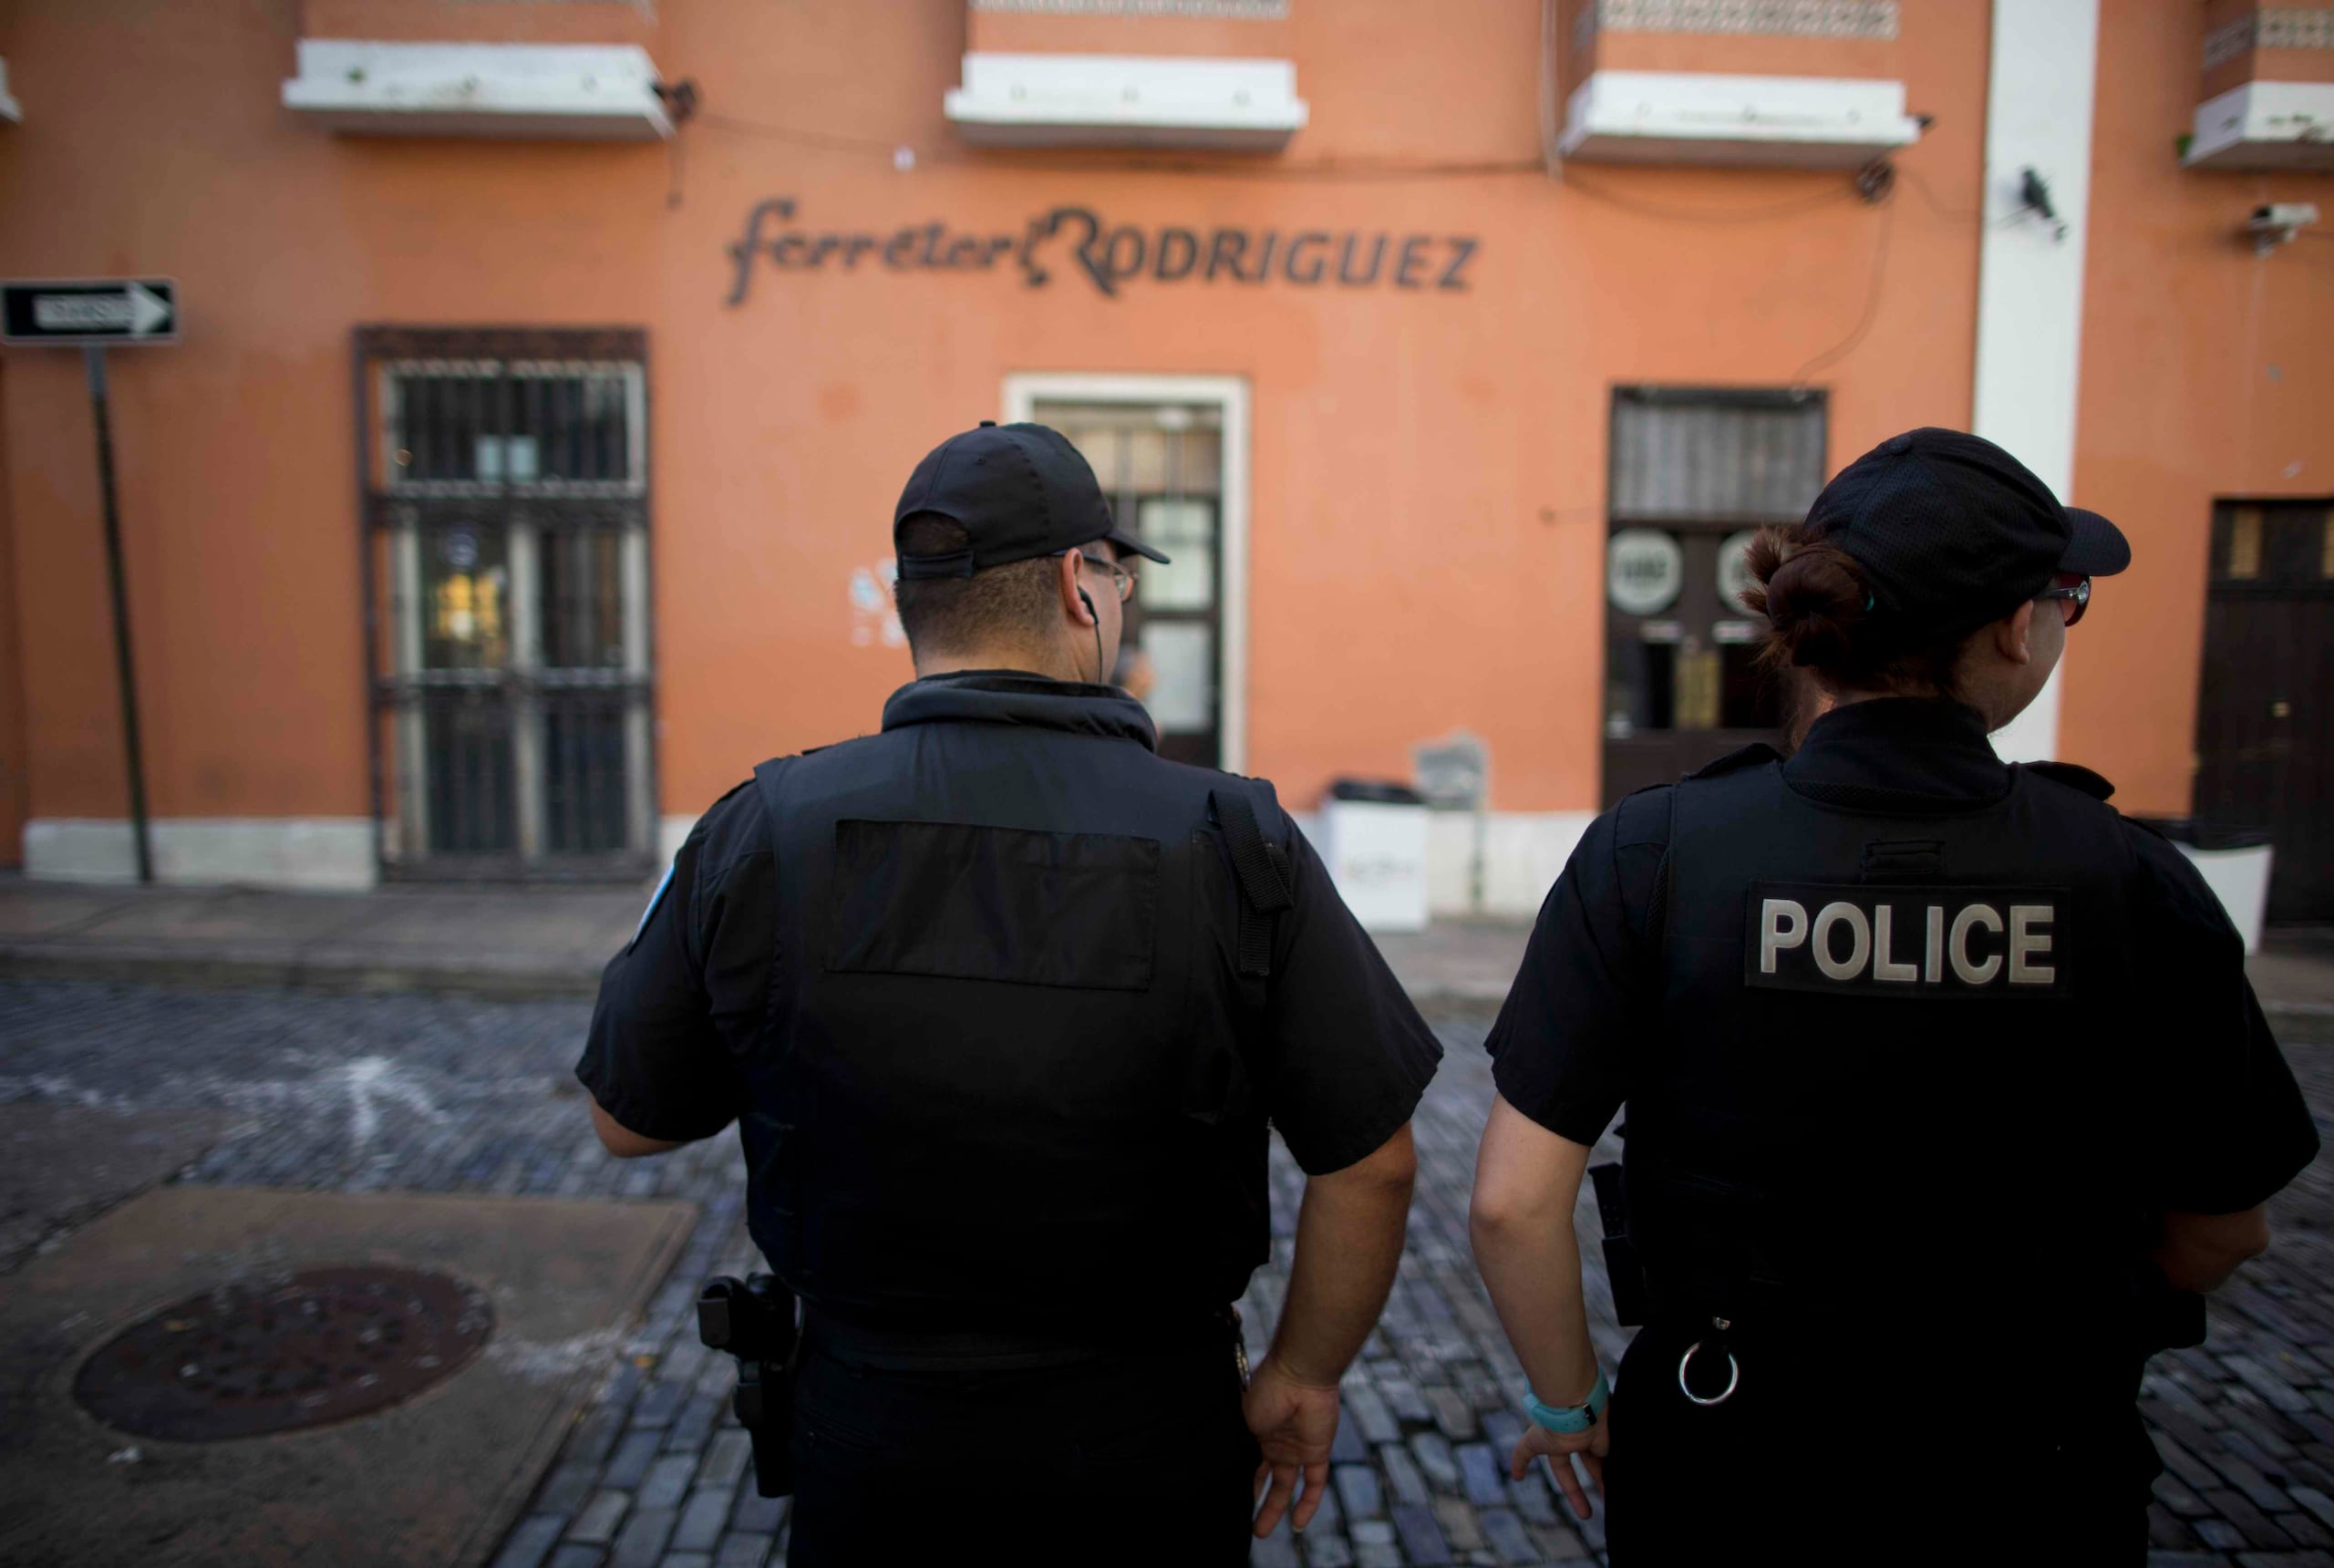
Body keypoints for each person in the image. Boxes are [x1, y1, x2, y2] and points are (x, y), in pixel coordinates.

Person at [575, 420, 1442, 1566]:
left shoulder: (764, 828)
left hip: (870, 1438)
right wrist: (1300, 1375)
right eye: (1121, 577)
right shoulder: (1233, 837)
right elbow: (1370, 1157)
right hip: (1149, 1440)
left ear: (910, 606)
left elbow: (626, 1117)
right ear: (1083, 587)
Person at [1467, 428, 2319, 1561]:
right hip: (2029, 1461)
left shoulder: (1653, 851)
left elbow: (1512, 1205)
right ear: (2017, 625)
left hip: (1727, 1452)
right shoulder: (2127, 877)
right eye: (2066, 595)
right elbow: (2224, 1225)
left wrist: (1570, 1406)